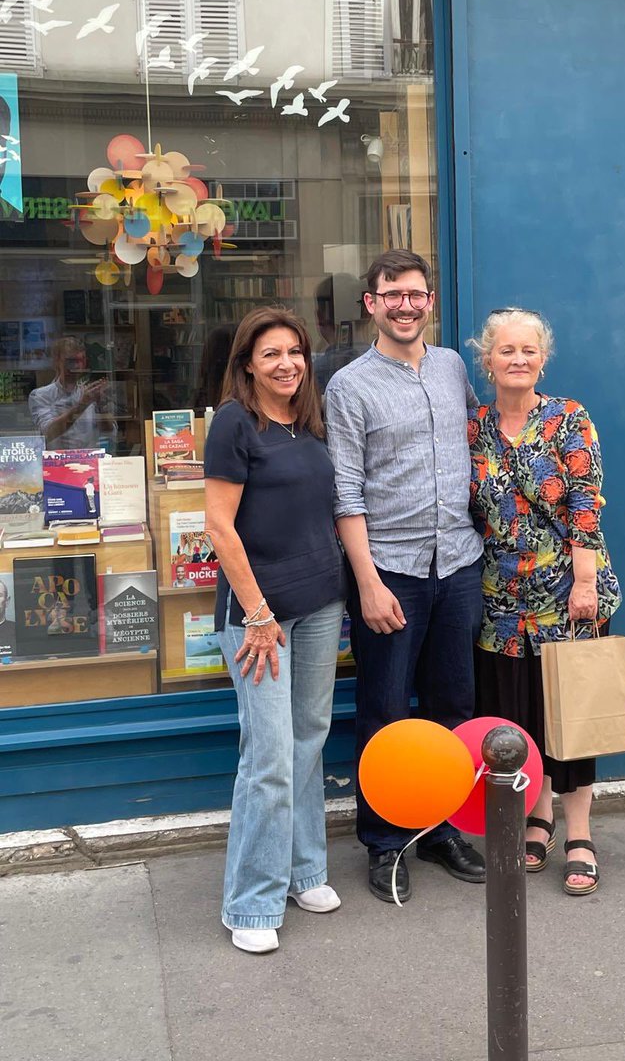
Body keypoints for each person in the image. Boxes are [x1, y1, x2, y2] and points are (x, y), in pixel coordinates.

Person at [324, 249, 485, 904]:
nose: (405, 306)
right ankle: (386, 842)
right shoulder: (349, 386)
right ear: (372, 304)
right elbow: (345, 490)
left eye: (416, 294)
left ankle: (441, 828)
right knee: (385, 713)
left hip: (460, 565)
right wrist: (366, 583)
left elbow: (479, 444)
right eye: (392, 295)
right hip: (391, 571)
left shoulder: (452, 367)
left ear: (430, 302)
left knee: (453, 707)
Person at [205, 306, 346, 954]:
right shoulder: (235, 423)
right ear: (247, 364)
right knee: (267, 757)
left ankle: (304, 871)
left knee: (307, 740)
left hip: (319, 604)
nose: (287, 364)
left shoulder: (309, 421)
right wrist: (258, 613)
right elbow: (218, 527)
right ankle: (252, 903)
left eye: (295, 352)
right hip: (259, 616)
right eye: (271, 354)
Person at [467, 308, 622, 897]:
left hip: (567, 594)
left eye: (528, 350)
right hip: (501, 600)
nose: (518, 359)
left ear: (543, 358)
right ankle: (538, 817)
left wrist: (584, 582)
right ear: (488, 361)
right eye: (507, 350)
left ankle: (579, 833)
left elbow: (586, 500)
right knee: (520, 716)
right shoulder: (474, 428)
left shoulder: (568, 418)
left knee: (571, 717)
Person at [28, 336, 108, 447]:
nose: (77, 366)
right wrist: (81, 405)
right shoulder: (41, 395)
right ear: (57, 361)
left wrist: (101, 406)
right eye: (70, 361)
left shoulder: (89, 393)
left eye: (81, 361)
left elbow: (109, 433)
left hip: (89, 456)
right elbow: (48, 433)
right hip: (57, 457)